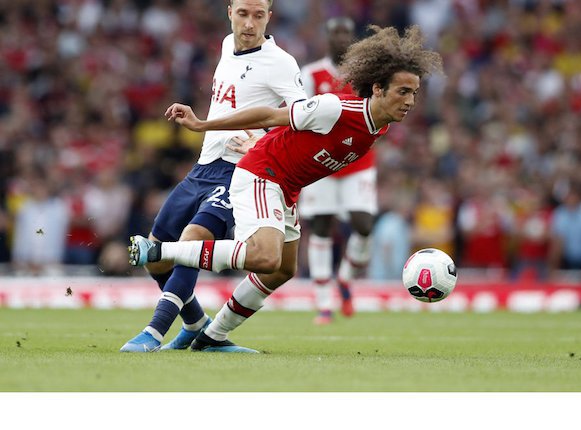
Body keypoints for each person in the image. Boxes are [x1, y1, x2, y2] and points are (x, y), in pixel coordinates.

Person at [129, 25, 443, 353]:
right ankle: (158, 252)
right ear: (377, 88)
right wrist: (203, 125)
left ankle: (212, 337)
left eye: (415, 93)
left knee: (282, 270)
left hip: (287, 187)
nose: (410, 101)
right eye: (403, 91)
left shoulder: (379, 126)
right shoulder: (335, 109)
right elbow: (271, 114)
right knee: (265, 256)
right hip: (262, 173)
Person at [120, 0, 307, 352]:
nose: (250, 23)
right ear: (229, 12)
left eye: (258, 15)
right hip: (204, 166)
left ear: (270, 16)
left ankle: (154, 332)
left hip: (241, 172)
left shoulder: (281, 62)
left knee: (191, 240)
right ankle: (196, 324)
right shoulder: (226, 45)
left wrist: (261, 140)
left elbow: (304, 117)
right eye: (243, 14)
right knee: (157, 254)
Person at [299, 17, 377, 324]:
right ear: (327, 38)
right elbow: (300, 112)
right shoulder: (312, 74)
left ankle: (345, 279)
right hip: (321, 161)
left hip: (358, 160)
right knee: (321, 225)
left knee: (364, 225)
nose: (341, 38)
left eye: (346, 32)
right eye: (336, 33)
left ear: (353, 37)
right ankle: (323, 304)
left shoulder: (365, 74)